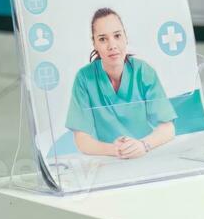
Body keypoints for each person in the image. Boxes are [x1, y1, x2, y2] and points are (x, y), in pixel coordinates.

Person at [67, 8, 176, 159]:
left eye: (117, 36)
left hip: (147, 155)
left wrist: (142, 145)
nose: (112, 45)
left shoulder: (143, 71)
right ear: (94, 43)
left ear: (125, 37)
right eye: (103, 39)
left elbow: (168, 128)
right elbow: (82, 140)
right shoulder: (84, 78)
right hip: (107, 161)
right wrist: (115, 150)